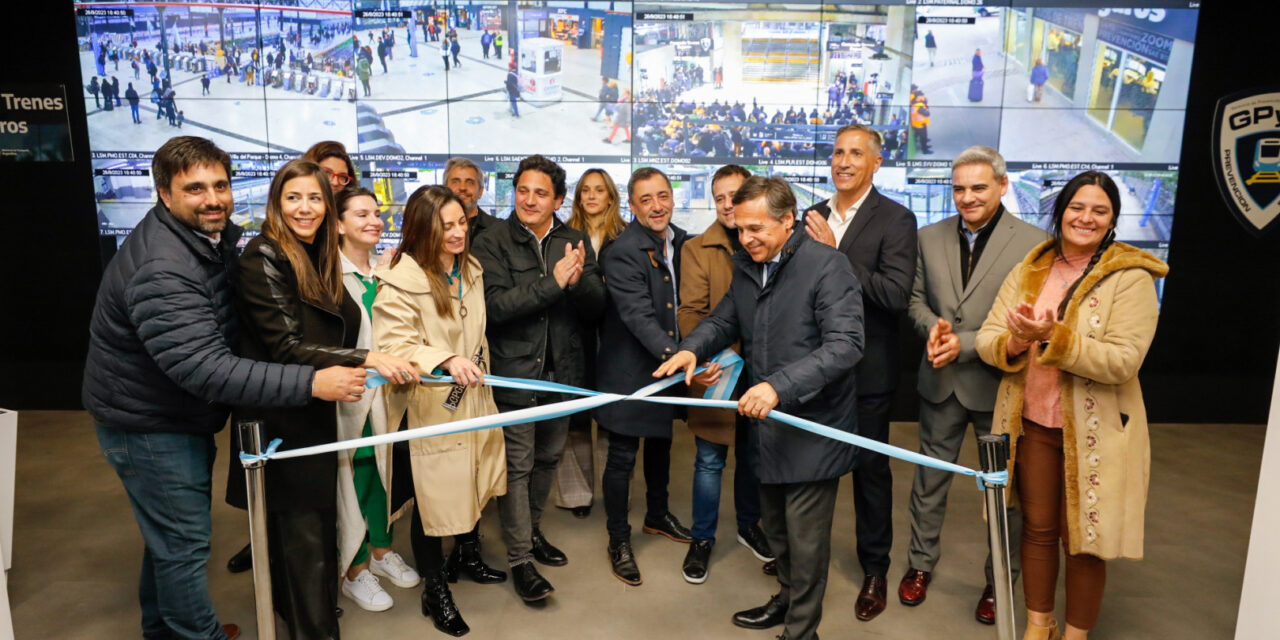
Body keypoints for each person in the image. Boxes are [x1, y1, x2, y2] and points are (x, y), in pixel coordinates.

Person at [84, 136, 367, 640]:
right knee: (185, 544)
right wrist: (313, 381)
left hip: (172, 414)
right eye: (194, 188)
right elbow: (207, 369)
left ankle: (165, 632)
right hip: (149, 423)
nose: (212, 198)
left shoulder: (208, 235)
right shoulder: (162, 267)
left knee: (167, 539)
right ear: (164, 195)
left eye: (220, 184)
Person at [656, 176, 864, 640]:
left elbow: (847, 345)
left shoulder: (828, 267)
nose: (746, 238)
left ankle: (801, 632)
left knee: (807, 545)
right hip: (765, 428)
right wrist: (692, 349)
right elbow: (723, 319)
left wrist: (778, 387)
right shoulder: (749, 266)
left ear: (788, 221)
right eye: (739, 227)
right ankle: (788, 602)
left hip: (811, 429)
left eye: (757, 229)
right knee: (778, 533)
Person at [227, 159, 417, 640]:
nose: (304, 207)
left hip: (314, 412)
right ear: (276, 201)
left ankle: (311, 621)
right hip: (280, 420)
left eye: (314, 198)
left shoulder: (315, 255)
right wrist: (368, 356)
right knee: (303, 538)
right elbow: (285, 345)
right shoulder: (264, 256)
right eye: (293, 197)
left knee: (312, 536)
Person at [977, 171, 1167, 640]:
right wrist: (1017, 341)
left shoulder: (1130, 277)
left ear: (1112, 220)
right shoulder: (1031, 266)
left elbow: (1125, 360)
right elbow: (988, 338)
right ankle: (1039, 626)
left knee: (1084, 543)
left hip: (1096, 432)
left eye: (1099, 210)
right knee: (1038, 531)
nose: (1086, 218)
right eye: (1077, 207)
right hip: (1032, 425)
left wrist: (1054, 339)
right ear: (1060, 210)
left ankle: (1076, 635)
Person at [900, 146, 1046, 624]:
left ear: (1002, 186)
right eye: (959, 188)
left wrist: (959, 342)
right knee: (928, 484)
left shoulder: (1032, 242)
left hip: (998, 386)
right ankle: (919, 566)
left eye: (978, 187)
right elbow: (916, 301)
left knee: (1003, 495)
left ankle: (997, 580)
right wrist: (933, 330)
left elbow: (1022, 321)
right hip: (939, 381)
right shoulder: (927, 236)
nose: (967, 197)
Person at [371, 185, 508, 637]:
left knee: (473, 482)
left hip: (473, 398)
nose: (457, 233)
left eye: (461, 222)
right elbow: (393, 344)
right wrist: (445, 359)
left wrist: (471, 365)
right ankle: (435, 589)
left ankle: (467, 557)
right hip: (430, 408)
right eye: (444, 225)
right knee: (433, 502)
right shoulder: (401, 279)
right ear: (422, 229)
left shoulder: (470, 268)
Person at [471, 155, 607, 604]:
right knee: (518, 465)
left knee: (549, 459)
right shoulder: (492, 241)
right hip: (515, 373)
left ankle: (530, 534)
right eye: (523, 191)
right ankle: (519, 560)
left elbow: (596, 307)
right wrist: (554, 283)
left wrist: (579, 281)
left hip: (561, 374)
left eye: (541, 193)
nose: (529, 200)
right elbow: (495, 308)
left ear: (559, 200)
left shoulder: (573, 238)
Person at [803, 123, 918, 623]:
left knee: (869, 476)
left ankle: (875, 571)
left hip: (869, 373)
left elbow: (894, 295)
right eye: (837, 152)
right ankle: (804, 565)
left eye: (855, 153)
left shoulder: (896, 219)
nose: (843, 161)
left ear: (876, 163)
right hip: (815, 371)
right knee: (813, 472)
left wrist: (835, 251)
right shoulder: (811, 215)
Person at [675, 164, 774, 585]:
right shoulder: (697, 248)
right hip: (719, 371)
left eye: (735, 195)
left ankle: (750, 524)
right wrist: (713, 355)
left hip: (767, 377)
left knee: (754, 457)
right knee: (710, 460)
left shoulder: (771, 242)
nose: (727, 204)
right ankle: (702, 539)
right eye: (719, 197)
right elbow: (692, 314)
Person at [597, 167, 695, 586]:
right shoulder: (622, 251)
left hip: (667, 367)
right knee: (622, 457)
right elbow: (637, 316)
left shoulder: (683, 241)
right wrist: (681, 356)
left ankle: (657, 515)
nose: (657, 206)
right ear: (633, 206)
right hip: (630, 371)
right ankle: (618, 538)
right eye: (646, 200)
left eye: (663, 196)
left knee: (660, 444)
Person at [333, 187, 422, 613]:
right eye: (361, 214)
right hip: (350, 396)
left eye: (377, 212)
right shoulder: (329, 275)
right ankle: (354, 567)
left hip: (389, 396)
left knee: (384, 473)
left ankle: (382, 550)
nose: (374, 220)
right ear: (338, 223)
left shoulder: (385, 271)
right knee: (357, 475)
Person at [554, 168, 628, 518]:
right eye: (586, 190)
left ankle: (615, 489)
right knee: (577, 419)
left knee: (612, 418)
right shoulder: (564, 236)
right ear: (578, 196)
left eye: (600, 190)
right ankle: (576, 496)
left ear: (611, 196)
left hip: (615, 335)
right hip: (576, 333)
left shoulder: (626, 235)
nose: (593, 196)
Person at [443, 157, 498, 239]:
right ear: (444, 188)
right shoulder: (432, 226)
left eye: (469, 182)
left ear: (480, 191)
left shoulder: (497, 229)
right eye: (455, 181)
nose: (462, 188)